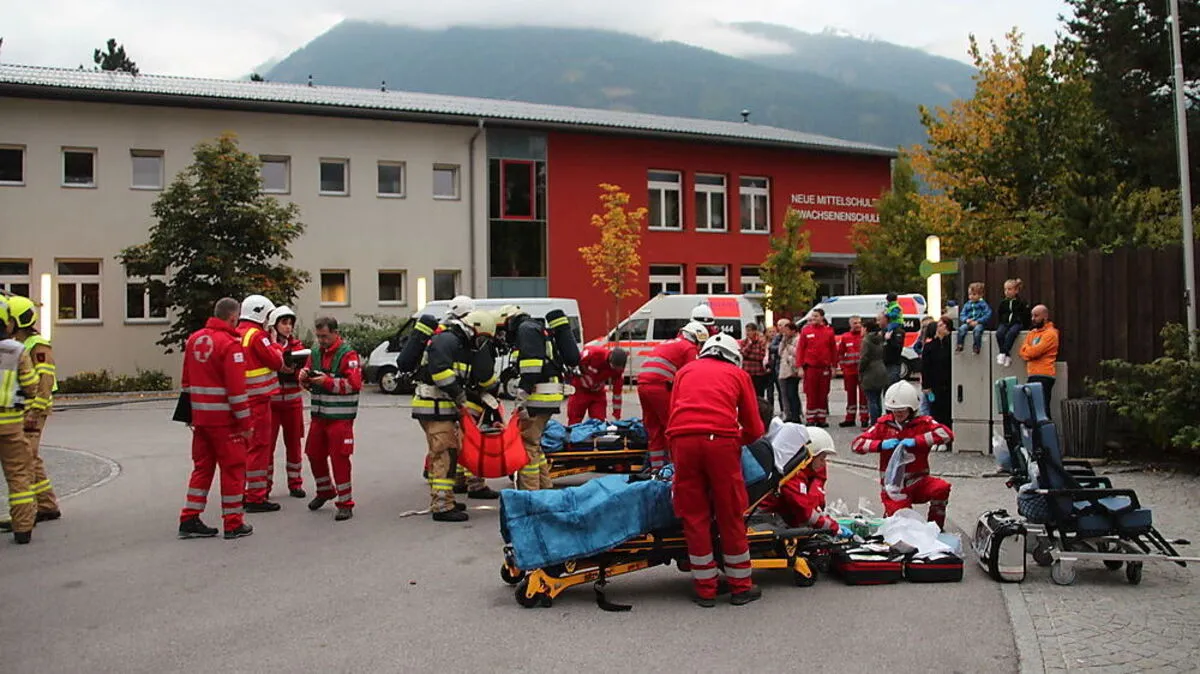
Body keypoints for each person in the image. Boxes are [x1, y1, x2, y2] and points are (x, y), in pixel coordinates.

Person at [666, 333, 765, 607]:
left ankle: (705, 589)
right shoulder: (738, 375)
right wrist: (736, 440)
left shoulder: (685, 371)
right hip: (720, 442)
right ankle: (740, 587)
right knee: (729, 513)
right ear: (734, 358)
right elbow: (755, 428)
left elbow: (673, 414)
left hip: (682, 441)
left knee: (694, 515)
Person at [177, 297, 254, 540]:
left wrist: (189, 415)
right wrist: (246, 424)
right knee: (233, 470)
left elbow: (186, 382)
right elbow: (236, 391)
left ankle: (189, 517)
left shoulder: (194, 339)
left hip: (201, 420)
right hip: (225, 422)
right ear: (233, 317)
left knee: (202, 468)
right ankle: (233, 523)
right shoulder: (230, 345)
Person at [412, 311, 500, 521]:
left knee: (445, 453)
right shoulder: (448, 340)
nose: (481, 343)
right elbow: (441, 372)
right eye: (482, 338)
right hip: (435, 407)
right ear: (475, 329)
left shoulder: (458, 344)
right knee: (444, 455)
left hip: (440, 407)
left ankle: (445, 499)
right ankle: (442, 506)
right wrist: (459, 395)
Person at [851, 382, 954, 529]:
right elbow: (857, 445)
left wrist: (917, 441)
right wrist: (880, 445)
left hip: (918, 482)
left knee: (941, 488)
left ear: (911, 409)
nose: (898, 414)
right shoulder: (883, 425)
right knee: (903, 525)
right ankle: (891, 519)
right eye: (894, 411)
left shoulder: (923, 423)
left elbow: (946, 434)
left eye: (902, 410)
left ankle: (936, 528)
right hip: (894, 487)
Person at [498, 305, 577, 489]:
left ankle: (531, 492)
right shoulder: (535, 327)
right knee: (534, 444)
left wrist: (522, 395)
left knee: (527, 445)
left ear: (509, 320)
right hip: (548, 394)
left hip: (538, 396)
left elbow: (532, 367)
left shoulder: (525, 330)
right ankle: (545, 487)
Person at [299, 317, 363, 522]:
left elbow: (354, 384)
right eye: (318, 336)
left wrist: (326, 382)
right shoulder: (315, 352)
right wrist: (304, 376)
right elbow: (310, 375)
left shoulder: (348, 354)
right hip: (319, 415)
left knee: (339, 459)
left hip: (340, 417)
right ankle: (325, 490)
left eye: (325, 336)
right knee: (313, 453)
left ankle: (345, 503)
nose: (321, 340)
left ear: (336, 333)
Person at [6, 296, 61, 522]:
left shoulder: (38, 345)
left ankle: (27, 513)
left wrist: (35, 411)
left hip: (34, 409)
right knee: (31, 457)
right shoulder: (19, 344)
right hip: (25, 408)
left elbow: (45, 379)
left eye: (8, 318)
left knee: (26, 458)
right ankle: (47, 505)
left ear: (18, 320)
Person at [235, 294, 285, 512]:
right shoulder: (258, 336)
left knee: (243, 448)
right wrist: (276, 345)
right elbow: (275, 361)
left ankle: (241, 492)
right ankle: (256, 497)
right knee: (259, 447)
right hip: (258, 401)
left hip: (240, 401)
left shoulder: (236, 333)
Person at [636, 321, 709, 469]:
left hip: (643, 385)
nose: (700, 348)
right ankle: (675, 468)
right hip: (660, 386)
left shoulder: (668, 343)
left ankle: (656, 470)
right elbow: (692, 375)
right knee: (673, 428)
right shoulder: (689, 348)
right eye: (701, 344)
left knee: (654, 430)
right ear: (695, 338)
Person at [759, 426, 852, 537]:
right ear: (810, 457)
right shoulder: (794, 475)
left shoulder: (803, 472)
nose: (824, 463)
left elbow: (810, 503)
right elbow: (804, 510)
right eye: (822, 458)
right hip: (765, 519)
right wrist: (833, 527)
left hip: (773, 518)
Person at [0, 298, 40, 543]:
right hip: (11, 426)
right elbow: (31, 385)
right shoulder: (16, 350)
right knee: (18, 477)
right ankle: (23, 529)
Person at [266, 305, 307, 499]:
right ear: (274, 325)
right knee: (267, 446)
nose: (288, 327)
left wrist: (298, 372)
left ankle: (295, 483)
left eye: (290, 323)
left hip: (292, 401)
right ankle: (264, 486)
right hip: (271, 402)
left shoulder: (297, 347)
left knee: (294, 444)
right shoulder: (266, 345)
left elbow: (303, 370)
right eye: (284, 323)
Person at [566, 344, 627, 425]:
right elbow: (574, 364)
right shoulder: (594, 353)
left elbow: (617, 393)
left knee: (599, 422)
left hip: (598, 393)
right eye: (614, 367)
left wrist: (617, 414)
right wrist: (583, 376)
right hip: (580, 391)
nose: (615, 370)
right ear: (610, 360)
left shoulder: (618, 371)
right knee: (574, 421)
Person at [797, 308, 837, 427]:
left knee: (823, 393)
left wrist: (834, 366)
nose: (813, 318)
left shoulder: (829, 331)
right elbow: (800, 349)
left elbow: (833, 350)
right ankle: (810, 418)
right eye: (812, 316)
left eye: (816, 316)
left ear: (822, 317)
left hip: (824, 368)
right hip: (810, 368)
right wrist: (799, 367)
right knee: (810, 393)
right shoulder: (806, 331)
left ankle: (821, 418)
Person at [1020, 305, 1060, 418]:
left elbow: (1034, 352)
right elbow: (1022, 352)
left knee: (1042, 409)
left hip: (1044, 375)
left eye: (1036, 316)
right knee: (1032, 409)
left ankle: (1046, 429)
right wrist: (1029, 352)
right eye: (1032, 316)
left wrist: (1029, 351)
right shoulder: (1032, 333)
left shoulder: (1051, 334)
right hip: (1032, 374)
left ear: (1045, 316)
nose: (1033, 318)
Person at [920, 317, 954, 428]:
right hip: (935, 385)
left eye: (941, 325)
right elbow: (925, 367)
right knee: (935, 412)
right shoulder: (930, 346)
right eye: (939, 325)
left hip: (949, 383)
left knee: (948, 412)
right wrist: (926, 385)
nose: (939, 328)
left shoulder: (951, 343)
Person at [837, 316, 868, 428]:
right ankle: (850, 418)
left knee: (864, 396)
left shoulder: (865, 336)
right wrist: (843, 367)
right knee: (850, 396)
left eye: (859, 323)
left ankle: (864, 418)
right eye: (855, 323)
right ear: (850, 324)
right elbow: (840, 353)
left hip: (863, 371)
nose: (858, 325)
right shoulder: (845, 337)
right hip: (849, 371)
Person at [858, 318, 889, 425]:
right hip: (881, 369)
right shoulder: (880, 339)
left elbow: (864, 358)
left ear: (866, 328)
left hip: (870, 372)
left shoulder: (866, 341)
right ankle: (879, 421)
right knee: (877, 398)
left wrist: (860, 370)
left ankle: (874, 423)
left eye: (862, 328)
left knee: (871, 400)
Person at [995, 278, 1031, 368]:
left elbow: (1026, 314)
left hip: (1017, 323)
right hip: (1005, 323)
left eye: (1009, 289)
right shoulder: (1003, 303)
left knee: (1011, 333)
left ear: (1016, 291)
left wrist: (1023, 324)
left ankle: (1003, 352)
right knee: (999, 334)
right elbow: (1000, 313)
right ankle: (1006, 355)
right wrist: (1001, 322)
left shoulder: (1021, 302)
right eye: (1005, 289)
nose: (1007, 292)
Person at [955, 282, 993, 355]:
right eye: (970, 294)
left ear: (980, 295)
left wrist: (979, 321)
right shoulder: (967, 304)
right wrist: (966, 319)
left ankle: (976, 347)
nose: (971, 296)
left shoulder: (983, 304)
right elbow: (962, 314)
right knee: (962, 328)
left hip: (978, 323)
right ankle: (960, 345)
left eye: (974, 294)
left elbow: (988, 314)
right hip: (969, 322)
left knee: (977, 331)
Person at [776, 320, 802, 423]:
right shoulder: (785, 340)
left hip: (793, 370)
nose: (785, 333)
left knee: (792, 394)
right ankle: (789, 414)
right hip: (784, 370)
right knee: (786, 394)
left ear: (793, 330)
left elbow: (797, 352)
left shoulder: (798, 339)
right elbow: (780, 352)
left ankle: (796, 415)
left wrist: (788, 346)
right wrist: (783, 342)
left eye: (787, 330)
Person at [739, 323, 770, 399]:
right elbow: (743, 353)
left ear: (755, 331)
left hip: (758, 372)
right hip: (747, 371)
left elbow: (760, 356)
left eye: (749, 331)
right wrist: (749, 345)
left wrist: (748, 355)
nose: (747, 333)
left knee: (759, 394)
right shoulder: (744, 342)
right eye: (746, 331)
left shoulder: (761, 342)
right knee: (747, 394)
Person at [882, 311, 906, 386]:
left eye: (880, 319)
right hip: (884, 364)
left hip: (893, 364)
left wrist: (889, 340)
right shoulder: (884, 330)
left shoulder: (898, 331)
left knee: (891, 386)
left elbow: (897, 347)